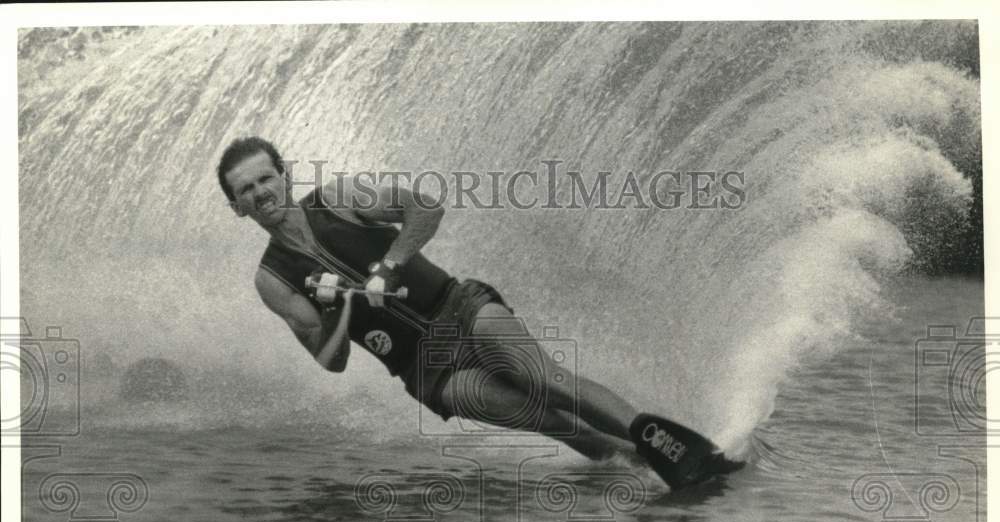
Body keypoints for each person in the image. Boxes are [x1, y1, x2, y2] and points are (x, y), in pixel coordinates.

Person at [217, 136, 737, 480]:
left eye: (266, 179)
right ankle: (649, 470)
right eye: (246, 190)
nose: (261, 193)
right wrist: (336, 310)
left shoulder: (339, 197)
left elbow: (425, 207)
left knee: (543, 380)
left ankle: (662, 441)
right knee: (544, 418)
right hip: (424, 368)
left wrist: (390, 266)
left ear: (285, 176)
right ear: (236, 208)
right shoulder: (273, 280)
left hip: (458, 306)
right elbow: (329, 359)